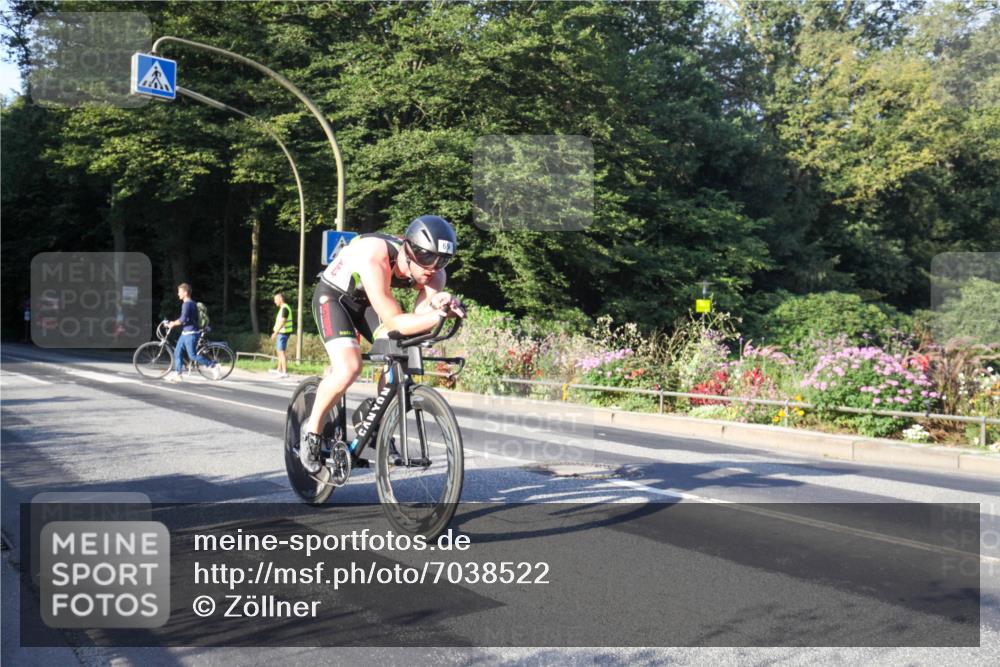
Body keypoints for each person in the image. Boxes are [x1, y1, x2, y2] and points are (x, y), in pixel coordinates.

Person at [299, 215, 465, 473]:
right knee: (349, 368)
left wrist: (440, 306)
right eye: (426, 258)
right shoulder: (374, 255)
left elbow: (417, 321)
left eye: (441, 260)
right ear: (409, 250)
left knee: (401, 350)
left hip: (367, 304)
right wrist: (437, 316)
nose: (432, 267)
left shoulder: (435, 274)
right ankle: (312, 432)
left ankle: (374, 417)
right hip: (334, 298)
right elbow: (396, 321)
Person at [163, 283, 221, 382]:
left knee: (192, 355)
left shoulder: (187, 304)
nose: (178, 294)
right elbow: (186, 319)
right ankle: (178, 374)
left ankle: (213, 366)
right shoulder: (190, 303)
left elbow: (183, 319)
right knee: (177, 352)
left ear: (185, 293)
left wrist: (172, 324)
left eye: (180, 292)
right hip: (186, 333)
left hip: (191, 333)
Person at [270, 292, 294, 378]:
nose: (275, 301)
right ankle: (279, 370)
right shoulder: (283, 308)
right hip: (282, 332)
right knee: (279, 351)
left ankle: (284, 372)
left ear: (280, 299)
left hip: (283, 332)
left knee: (281, 352)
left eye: (276, 300)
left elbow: (283, 322)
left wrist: (275, 333)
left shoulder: (284, 309)